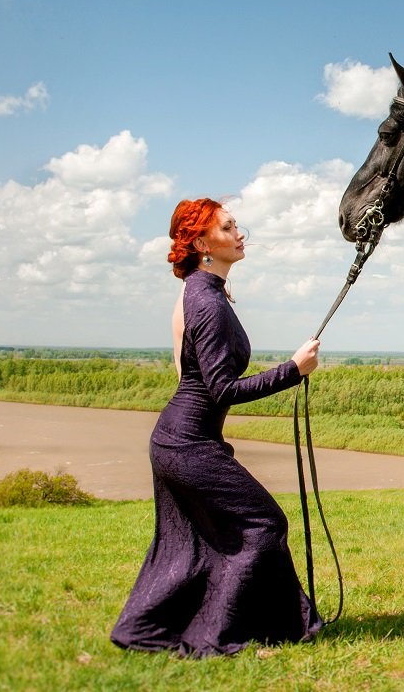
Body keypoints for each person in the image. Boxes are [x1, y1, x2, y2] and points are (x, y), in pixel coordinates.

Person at [111, 197, 323, 657]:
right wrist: (292, 369)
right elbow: (222, 390)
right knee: (263, 523)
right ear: (203, 241)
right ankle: (212, 636)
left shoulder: (200, 291)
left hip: (181, 440)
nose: (239, 232)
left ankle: (152, 629)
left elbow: (186, 372)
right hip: (187, 444)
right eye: (228, 227)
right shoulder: (206, 301)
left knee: (188, 544)